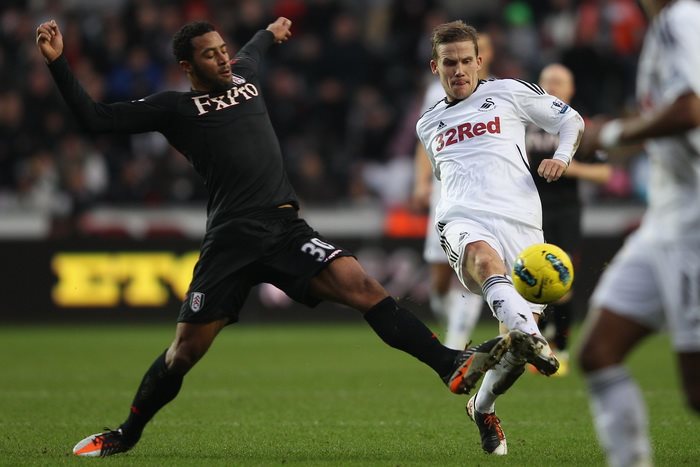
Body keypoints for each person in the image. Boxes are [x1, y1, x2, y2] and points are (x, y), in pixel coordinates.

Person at [36, 17, 519, 457]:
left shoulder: (243, 76)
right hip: (230, 239)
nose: (223, 59)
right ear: (187, 66)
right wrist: (58, 63)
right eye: (210, 55)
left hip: (284, 228)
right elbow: (95, 119)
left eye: (223, 50)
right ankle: (126, 433)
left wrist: (271, 31)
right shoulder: (174, 108)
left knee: (361, 285)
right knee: (184, 351)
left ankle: (448, 364)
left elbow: (254, 49)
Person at [415, 21, 585, 455]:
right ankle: (532, 335)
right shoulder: (428, 123)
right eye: (448, 63)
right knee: (482, 258)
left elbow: (571, 121)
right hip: (463, 219)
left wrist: (562, 158)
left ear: (479, 61)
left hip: (523, 227)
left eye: (465, 61)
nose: (458, 70)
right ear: (435, 67)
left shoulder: (509, 92)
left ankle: (483, 405)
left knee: (513, 357)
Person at [577, 1, 700, 466]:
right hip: (665, 218)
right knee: (598, 353)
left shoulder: (681, 18)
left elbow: (689, 110)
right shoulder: (668, 26)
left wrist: (613, 135)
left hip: (694, 224)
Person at [525, 63, 612, 376]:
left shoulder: (579, 127)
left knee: (561, 284)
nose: (552, 87)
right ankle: (536, 345)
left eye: (559, 82)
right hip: (527, 210)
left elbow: (604, 173)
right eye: (547, 81)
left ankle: (560, 348)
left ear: (571, 90)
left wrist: (571, 167)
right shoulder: (523, 122)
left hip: (565, 211)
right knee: (529, 280)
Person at [412, 32, 494, 350]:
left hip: (483, 197)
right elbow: (425, 142)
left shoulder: (500, 91)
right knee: (439, 283)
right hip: (444, 192)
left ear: (482, 58)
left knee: (473, 269)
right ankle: (454, 331)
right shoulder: (439, 90)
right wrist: (421, 182)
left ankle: (457, 345)